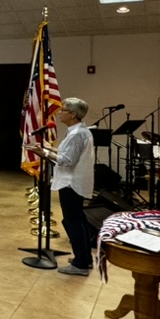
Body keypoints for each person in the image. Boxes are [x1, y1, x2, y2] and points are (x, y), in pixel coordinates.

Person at [28, 98, 95, 276]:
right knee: (78, 221)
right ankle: (85, 259)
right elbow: (68, 153)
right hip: (74, 182)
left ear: (73, 114)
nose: (59, 112)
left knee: (73, 222)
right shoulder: (79, 131)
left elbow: (67, 160)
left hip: (71, 183)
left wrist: (45, 153)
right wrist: (51, 149)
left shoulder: (76, 134)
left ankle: (80, 264)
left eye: (63, 110)